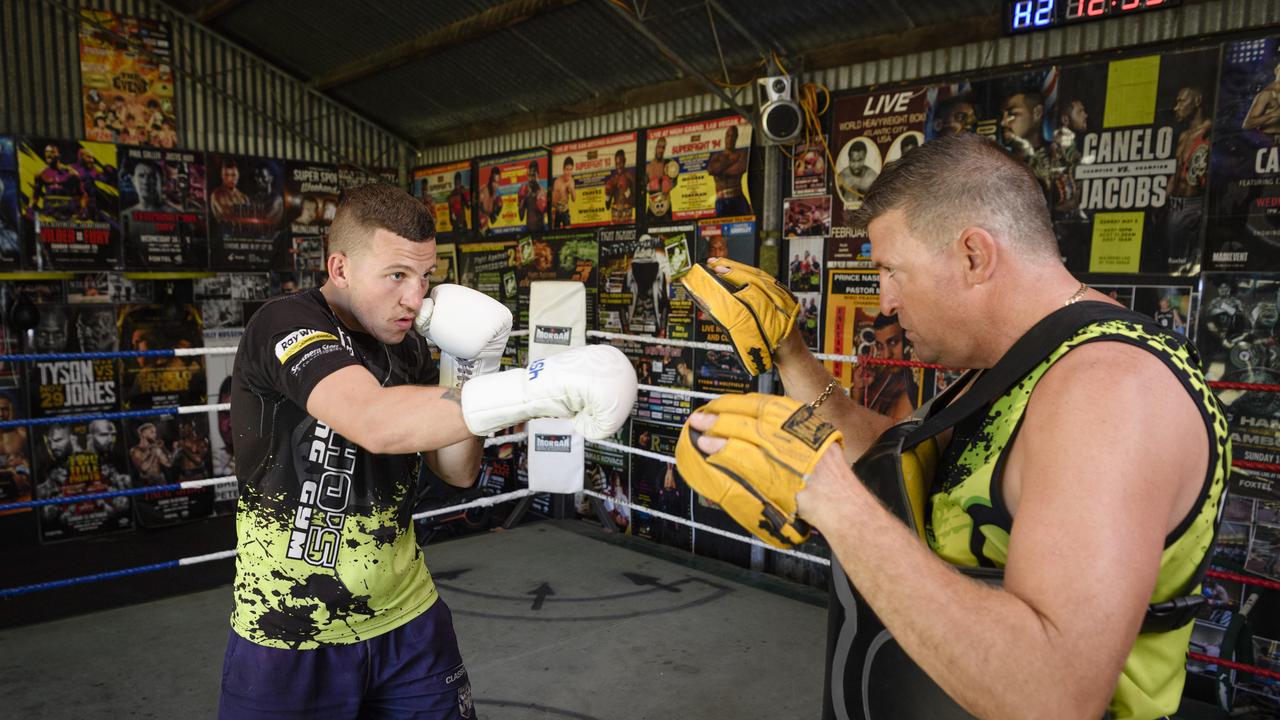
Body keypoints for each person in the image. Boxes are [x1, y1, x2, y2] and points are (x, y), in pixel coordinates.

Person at [680, 132, 1229, 720]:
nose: (885, 302)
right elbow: (904, 468)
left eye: (892, 270)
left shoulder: (1111, 392)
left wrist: (835, 503)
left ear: (974, 255)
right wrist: (791, 353)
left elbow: (1055, 694)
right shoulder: (1019, 360)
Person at [221, 182, 634, 717]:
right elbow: (372, 420)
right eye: (397, 275)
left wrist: (475, 365)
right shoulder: (285, 324)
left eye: (425, 276)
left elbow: (457, 470)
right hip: (289, 632)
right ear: (340, 267)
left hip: (409, 620)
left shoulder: (410, 347)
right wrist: (532, 386)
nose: (415, 298)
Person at [1164, 86, 1212, 269]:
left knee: (1193, 262)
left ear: (1197, 101)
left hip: (1196, 204)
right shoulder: (1184, 136)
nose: (1176, 107)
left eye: (1181, 101)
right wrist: (1164, 201)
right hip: (1175, 206)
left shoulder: (1210, 132)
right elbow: (1175, 173)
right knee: (1175, 263)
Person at [849, 312, 918, 420]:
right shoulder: (882, 376)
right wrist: (859, 390)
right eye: (880, 346)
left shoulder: (912, 388)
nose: (886, 355)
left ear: (909, 339)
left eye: (893, 342)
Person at [706, 125, 750, 216]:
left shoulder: (742, 154)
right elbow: (711, 170)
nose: (730, 139)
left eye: (733, 136)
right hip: (721, 200)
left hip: (738, 198)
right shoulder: (716, 156)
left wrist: (721, 170)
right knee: (721, 228)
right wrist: (731, 161)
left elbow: (739, 168)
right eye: (728, 136)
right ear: (725, 137)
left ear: (736, 138)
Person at [1243, 62, 1280, 138]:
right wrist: (1272, 114)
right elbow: (1248, 124)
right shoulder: (1266, 94)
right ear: (1276, 71)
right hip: (1267, 140)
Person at [835, 140, 878, 205]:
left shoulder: (872, 177)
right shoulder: (842, 176)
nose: (856, 165)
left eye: (860, 160)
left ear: (864, 158)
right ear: (849, 159)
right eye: (853, 161)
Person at [210, 159, 250, 224]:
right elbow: (225, 216)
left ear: (238, 175)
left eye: (233, 175)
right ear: (221, 175)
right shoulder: (216, 194)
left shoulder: (244, 197)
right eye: (226, 175)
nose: (230, 179)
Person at [604, 149, 634, 224]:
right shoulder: (613, 180)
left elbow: (635, 202)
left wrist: (626, 191)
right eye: (617, 164)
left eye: (620, 163)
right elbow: (607, 206)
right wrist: (607, 194)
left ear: (625, 161)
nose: (618, 167)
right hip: (615, 215)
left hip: (627, 213)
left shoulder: (630, 177)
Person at [516, 160, 546, 231]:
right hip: (528, 230)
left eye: (533, 176)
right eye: (529, 176)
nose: (530, 179)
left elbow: (544, 211)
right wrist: (522, 201)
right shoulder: (525, 190)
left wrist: (539, 196)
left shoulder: (542, 191)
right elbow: (521, 217)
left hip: (541, 231)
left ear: (538, 175)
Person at [551, 156, 575, 229]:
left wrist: (572, 190)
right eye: (567, 169)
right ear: (563, 169)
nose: (569, 172)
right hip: (557, 211)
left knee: (568, 231)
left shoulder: (571, 181)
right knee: (556, 233)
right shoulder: (557, 182)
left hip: (565, 210)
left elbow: (574, 199)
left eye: (570, 169)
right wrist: (557, 208)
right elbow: (553, 201)